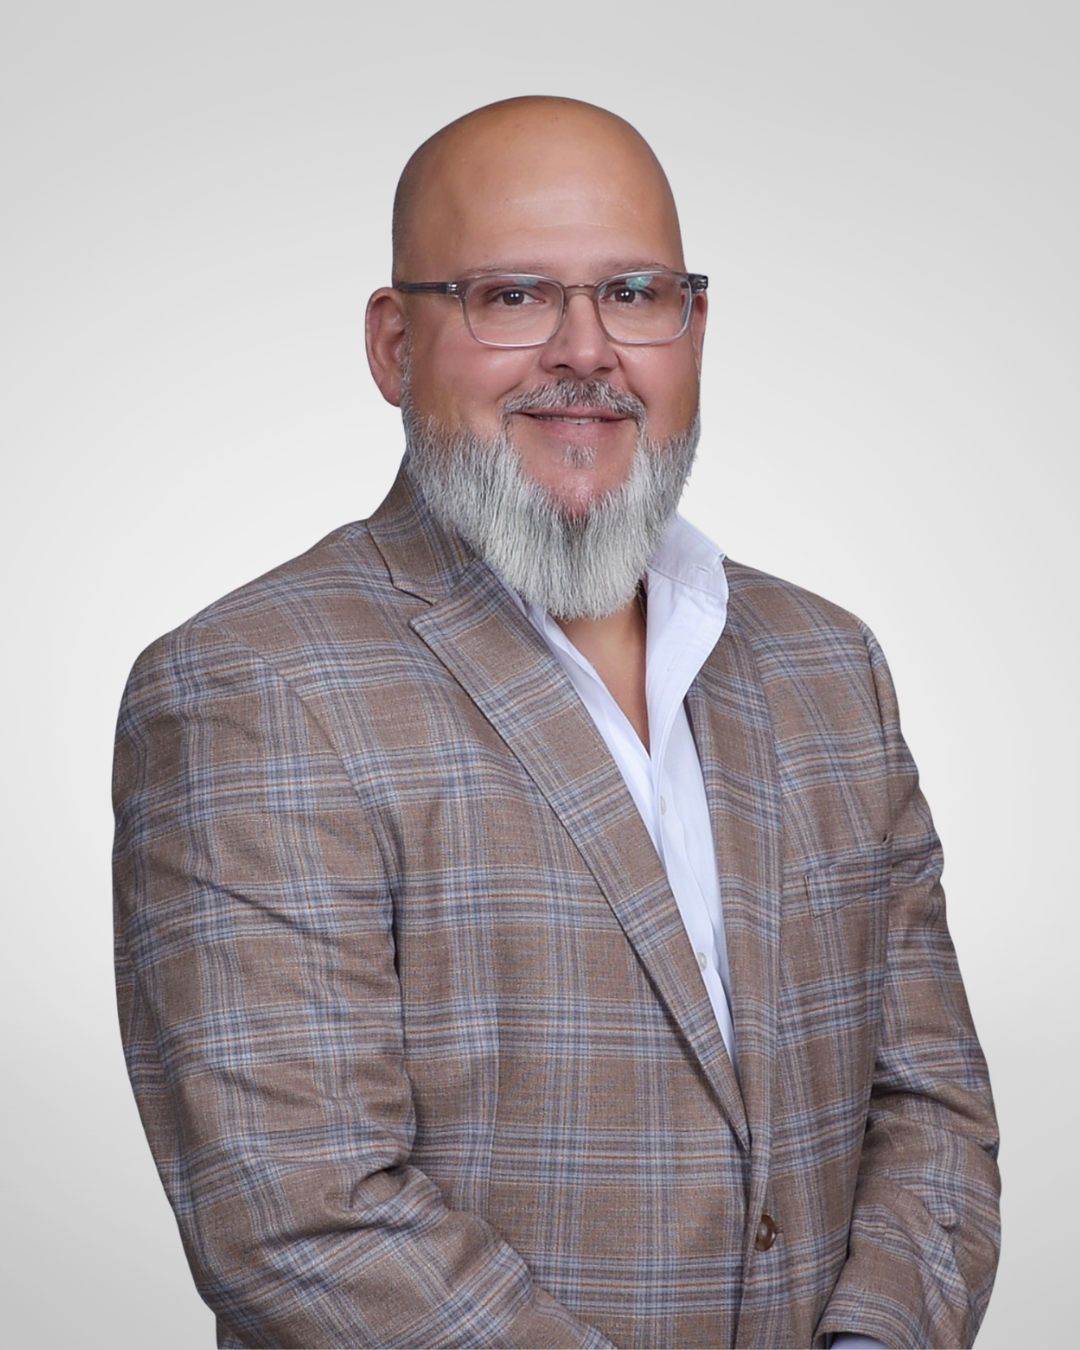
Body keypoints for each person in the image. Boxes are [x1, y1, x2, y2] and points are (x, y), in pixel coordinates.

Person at [113, 96, 1000, 1349]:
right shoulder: (251, 689)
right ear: (393, 345)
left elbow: (932, 1108)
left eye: (635, 293)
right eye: (513, 296)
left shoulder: (826, 667)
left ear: (693, 329)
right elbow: (301, 1217)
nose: (586, 350)